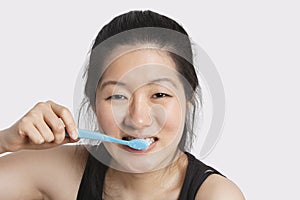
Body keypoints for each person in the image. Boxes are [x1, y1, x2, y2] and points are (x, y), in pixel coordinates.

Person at [0, 10, 245, 199]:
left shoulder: (216, 195)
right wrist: (5, 141)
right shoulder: (61, 172)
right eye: (117, 96)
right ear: (94, 104)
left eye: (159, 95)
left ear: (188, 100)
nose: (138, 119)